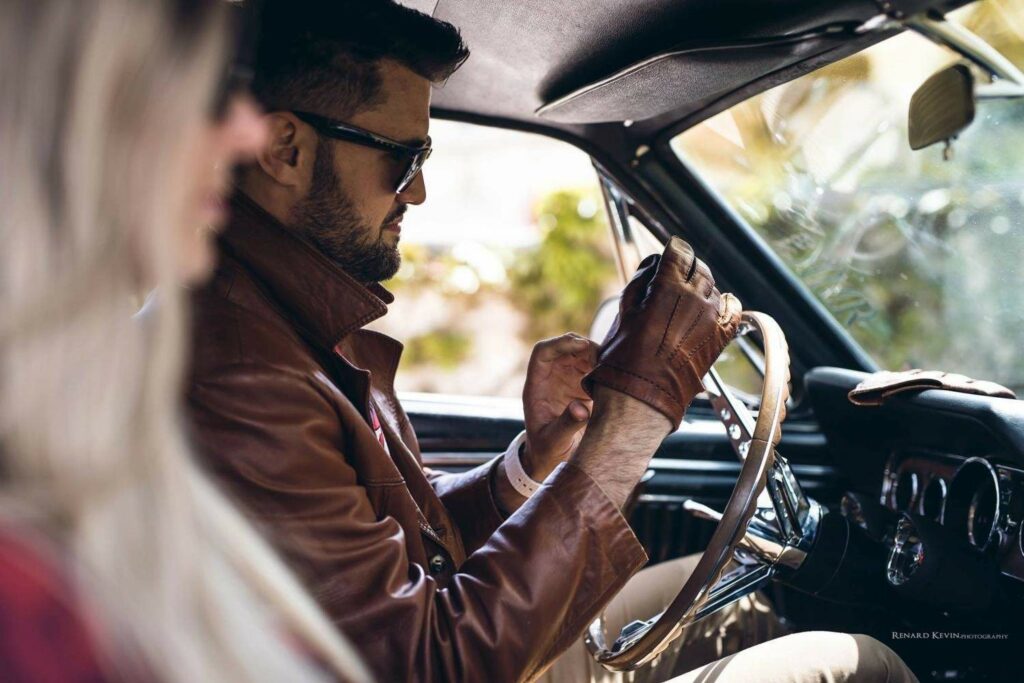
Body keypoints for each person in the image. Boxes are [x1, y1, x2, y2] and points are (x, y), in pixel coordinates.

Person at [185, 2, 919, 682]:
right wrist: (636, 417)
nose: (417, 193)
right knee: (859, 665)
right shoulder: (245, 371)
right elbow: (429, 660)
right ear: (286, 149)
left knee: (768, 602)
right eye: (401, 160)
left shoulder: (287, 322)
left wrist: (532, 461)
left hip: (458, 635)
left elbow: (400, 542)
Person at [0, 1, 371, 681]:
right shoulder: (23, 592)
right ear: (75, 113)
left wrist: (529, 467)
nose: (243, 131)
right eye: (208, 92)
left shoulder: (99, 432)